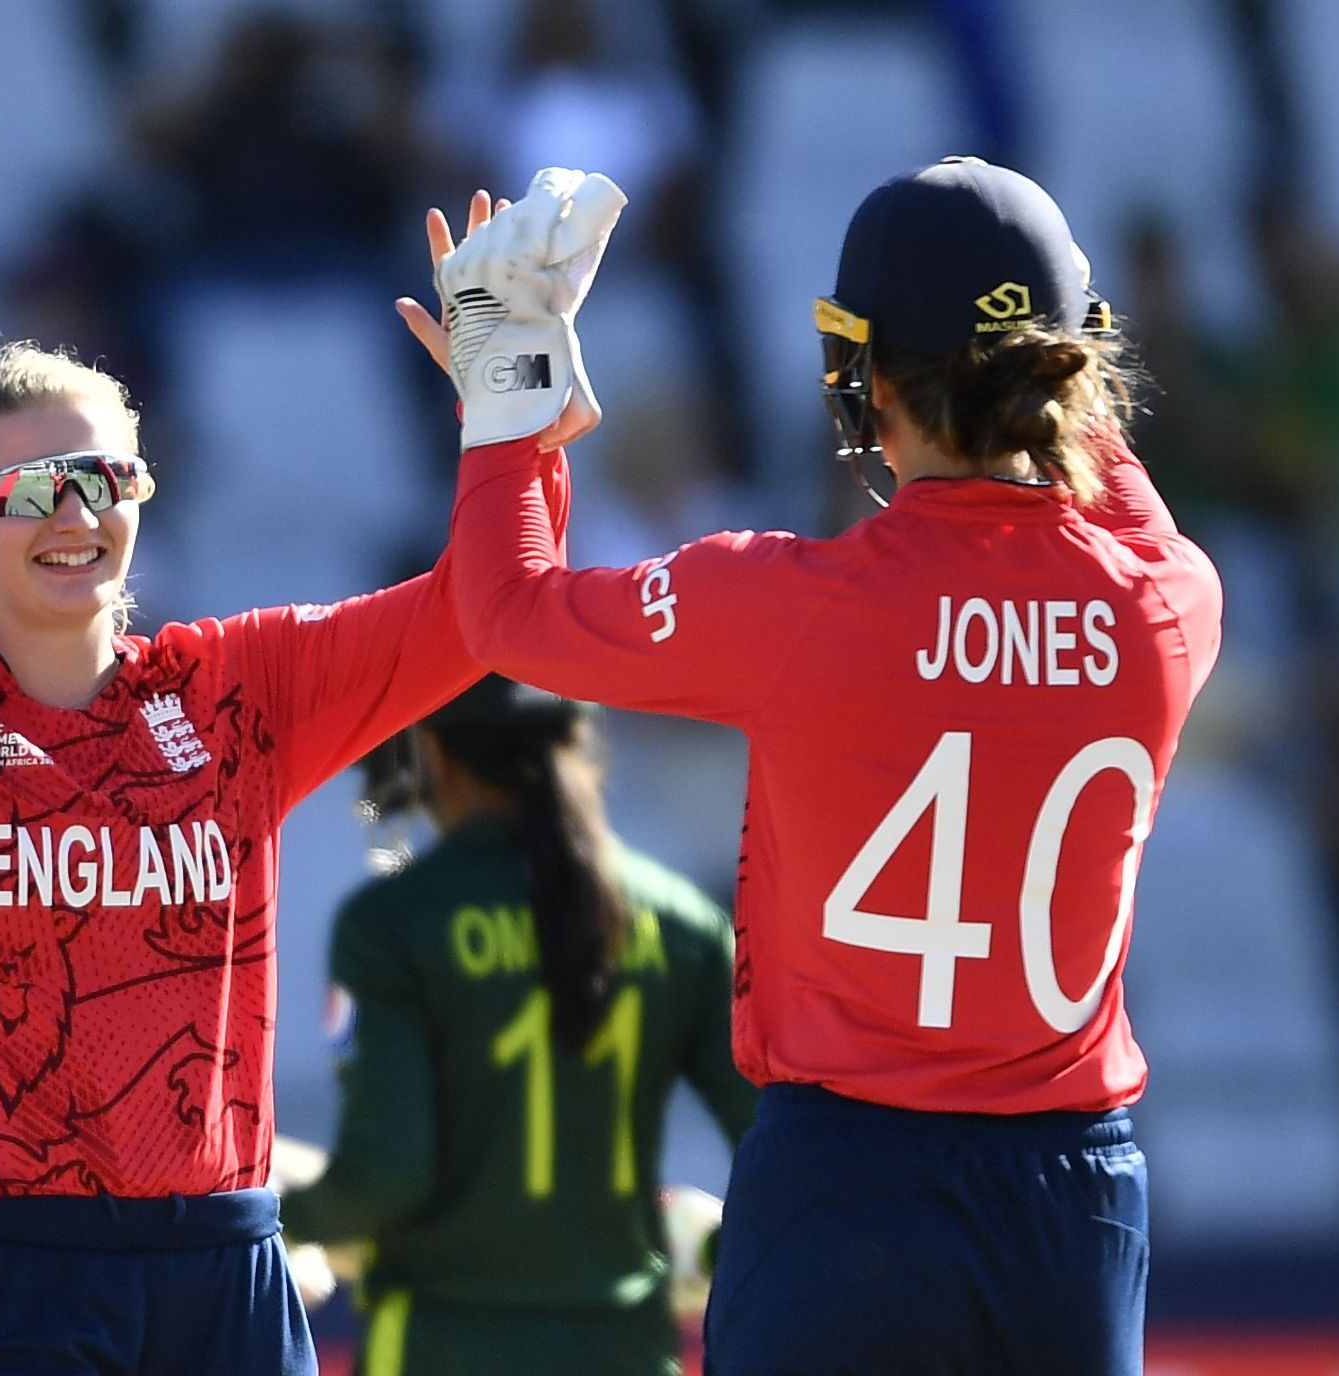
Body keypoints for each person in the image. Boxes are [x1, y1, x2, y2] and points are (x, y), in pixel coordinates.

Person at [0, 196, 578, 1376]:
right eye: (25, 491)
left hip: (226, 1259)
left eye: (102, 475)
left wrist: (510, 399)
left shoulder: (236, 687)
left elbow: (488, 607)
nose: (75, 513)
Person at [411, 162, 1223, 1374]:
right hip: (1072, 1203)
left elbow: (505, 609)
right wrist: (1046, 338)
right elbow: (1106, 494)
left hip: (845, 1186)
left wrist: (505, 379)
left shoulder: (789, 603)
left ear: (867, 380)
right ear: (1073, 369)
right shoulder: (1173, 604)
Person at [274, 674, 755, 1376]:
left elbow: (387, 1178)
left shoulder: (392, 925)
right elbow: (783, 1151)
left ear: (432, 754)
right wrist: (710, 1249)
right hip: (629, 1352)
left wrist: (279, 1223)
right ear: (579, 743)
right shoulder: (687, 924)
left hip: (441, 1350)